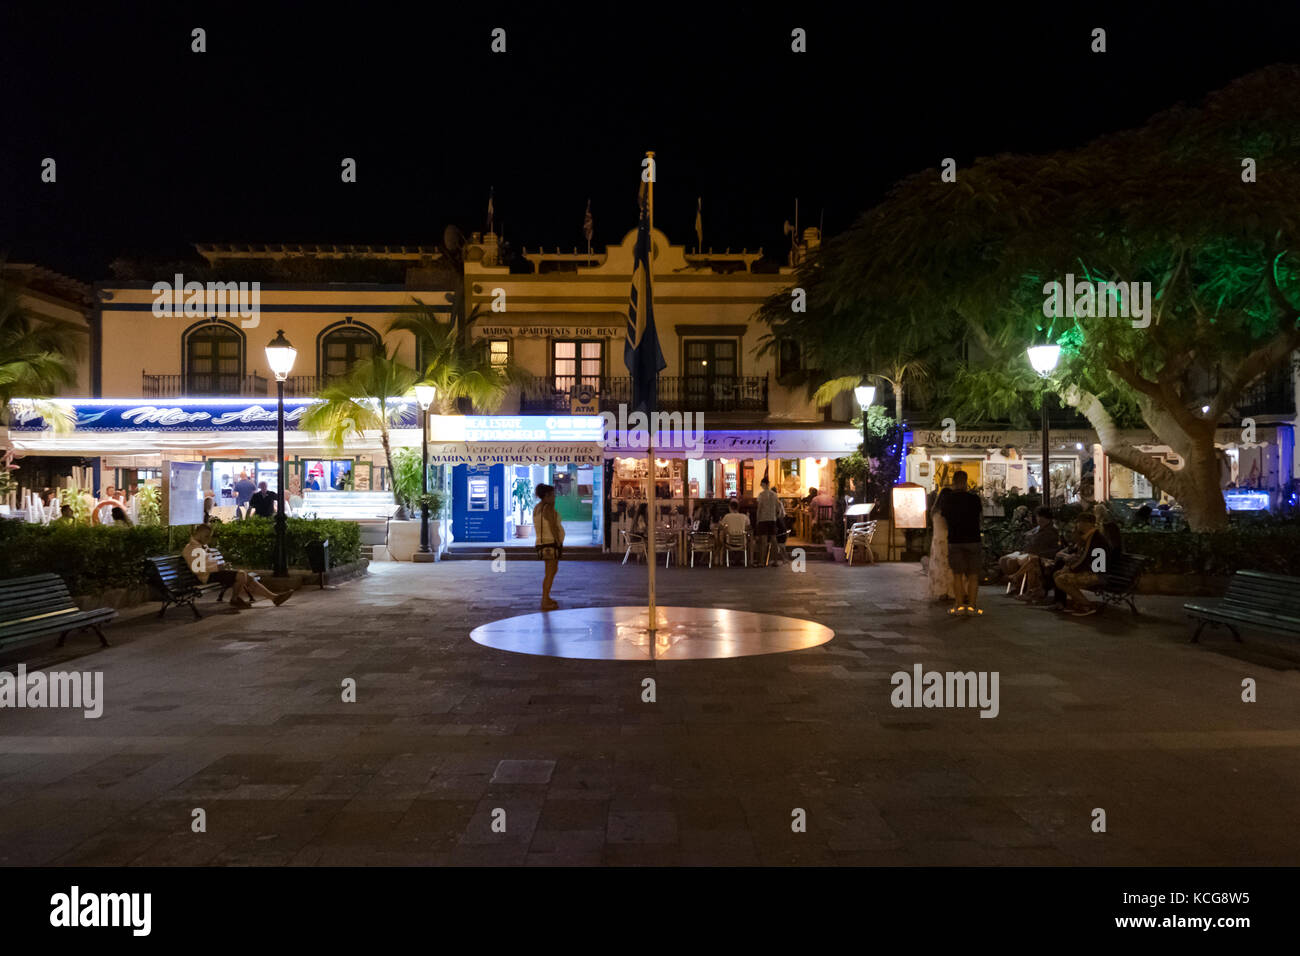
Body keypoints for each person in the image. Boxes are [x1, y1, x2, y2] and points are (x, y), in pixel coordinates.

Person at [181, 523, 291, 609]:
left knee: (247, 577)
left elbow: (205, 564)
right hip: (207, 576)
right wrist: (218, 567)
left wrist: (220, 566)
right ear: (199, 533)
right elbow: (198, 570)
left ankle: (274, 597)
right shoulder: (192, 549)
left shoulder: (199, 546)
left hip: (213, 573)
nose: (208, 539)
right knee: (241, 575)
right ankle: (234, 599)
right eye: (206, 536)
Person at [937, 470, 984, 616]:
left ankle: (959, 606)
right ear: (966, 481)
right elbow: (980, 517)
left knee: (957, 575)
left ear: (954, 481)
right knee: (973, 575)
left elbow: (944, 519)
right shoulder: (974, 498)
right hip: (973, 539)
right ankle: (972, 606)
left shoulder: (948, 500)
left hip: (955, 540)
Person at [1050, 512, 1111, 616]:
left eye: (1079, 522)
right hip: (1093, 571)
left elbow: (1085, 559)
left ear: (1086, 524)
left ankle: (1087, 605)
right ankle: (1079, 604)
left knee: (1061, 579)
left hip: (1097, 575)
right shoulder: (1090, 537)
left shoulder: (1094, 539)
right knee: (1058, 574)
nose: (1078, 525)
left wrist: (1071, 568)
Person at [1003, 506, 1061, 600]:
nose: (1039, 519)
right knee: (1006, 560)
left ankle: (1018, 581)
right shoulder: (1038, 528)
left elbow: (1049, 547)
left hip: (1041, 556)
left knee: (1029, 560)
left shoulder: (1051, 531)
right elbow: (1027, 535)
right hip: (1031, 552)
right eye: (1038, 516)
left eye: (1042, 517)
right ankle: (1018, 586)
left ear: (1048, 518)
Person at [533, 484, 564, 611]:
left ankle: (546, 597)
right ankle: (545, 600)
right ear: (546, 496)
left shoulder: (537, 508)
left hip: (541, 542)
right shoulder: (548, 508)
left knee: (550, 572)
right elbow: (553, 527)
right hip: (550, 543)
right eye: (552, 495)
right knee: (550, 573)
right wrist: (558, 542)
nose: (555, 497)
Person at [928, 489, 954, 603]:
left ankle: (940, 591)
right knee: (949, 566)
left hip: (937, 541)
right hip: (948, 540)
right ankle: (951, 591)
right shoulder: (948, 511)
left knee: (938, 566)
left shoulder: (934, 511)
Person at [754, 477, 786, 567]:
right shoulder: (774, 495)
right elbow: (778, 508)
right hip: (772, 519)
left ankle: (761, 562)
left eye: (761, 484)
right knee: (773, 540)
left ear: (763, 484)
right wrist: (776, 516)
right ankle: (775, 560)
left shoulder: (761, 495)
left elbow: (759, 508)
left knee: (763, 541)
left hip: (763, 519)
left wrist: (757, 519)